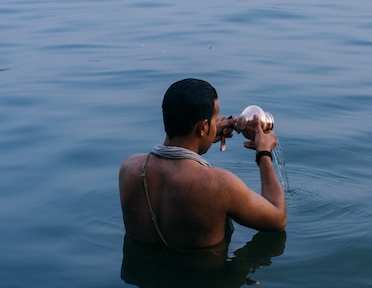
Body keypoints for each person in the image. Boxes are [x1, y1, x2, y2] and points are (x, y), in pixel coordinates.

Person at [119, 78, 286, 250]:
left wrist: (201, 139)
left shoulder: (129, 168)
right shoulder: (220, 184)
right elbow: (278, 218)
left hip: (144, 274)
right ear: (203, 127)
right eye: (215, 122)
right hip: (207, 275)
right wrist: (264, 153)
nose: (218, 126)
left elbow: (178, 164)